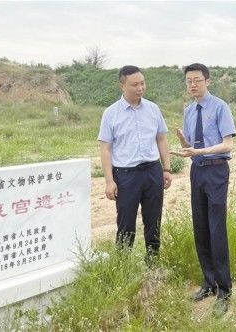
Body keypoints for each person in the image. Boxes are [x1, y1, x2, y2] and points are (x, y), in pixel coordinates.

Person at [173, 63, 236, 316]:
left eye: (197, 80)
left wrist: (198, 151)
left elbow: (227, 145)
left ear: (207, 81)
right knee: (200, 227)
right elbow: (192, 145)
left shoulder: (220, 107)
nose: (193, 85)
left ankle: (224, 289)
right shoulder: (189, 111)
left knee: (216, 229)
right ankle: (208, 282)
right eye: (189, 81)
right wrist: (184, 143)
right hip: (197, 171)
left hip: (217, 170)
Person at [97, 65, 172, 263]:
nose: (140, 88)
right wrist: (109, 181)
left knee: (153, 220)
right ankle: (123, 265)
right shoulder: (111, 113)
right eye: (134, 85)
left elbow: (162, 139)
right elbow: (105, 149)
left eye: (142, 83)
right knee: (126, 222)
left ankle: (153, 262)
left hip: (152, 171)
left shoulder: (153, 109)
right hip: (125, 175)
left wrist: (166, 168)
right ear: (122, 85)